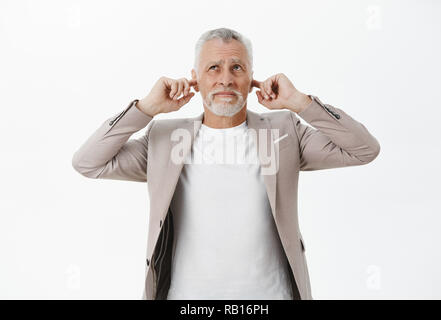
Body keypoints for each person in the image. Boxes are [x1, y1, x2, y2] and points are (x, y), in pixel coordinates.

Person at [72, 27, 380, 300]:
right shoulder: (165, 138)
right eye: (213, 68)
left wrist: (301, 102)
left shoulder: (284, 131)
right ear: (195, 78)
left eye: (237, 68)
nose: (225, 79)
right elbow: (88, 162)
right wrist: (145, 109)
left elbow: (363, 149)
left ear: (251, 78)